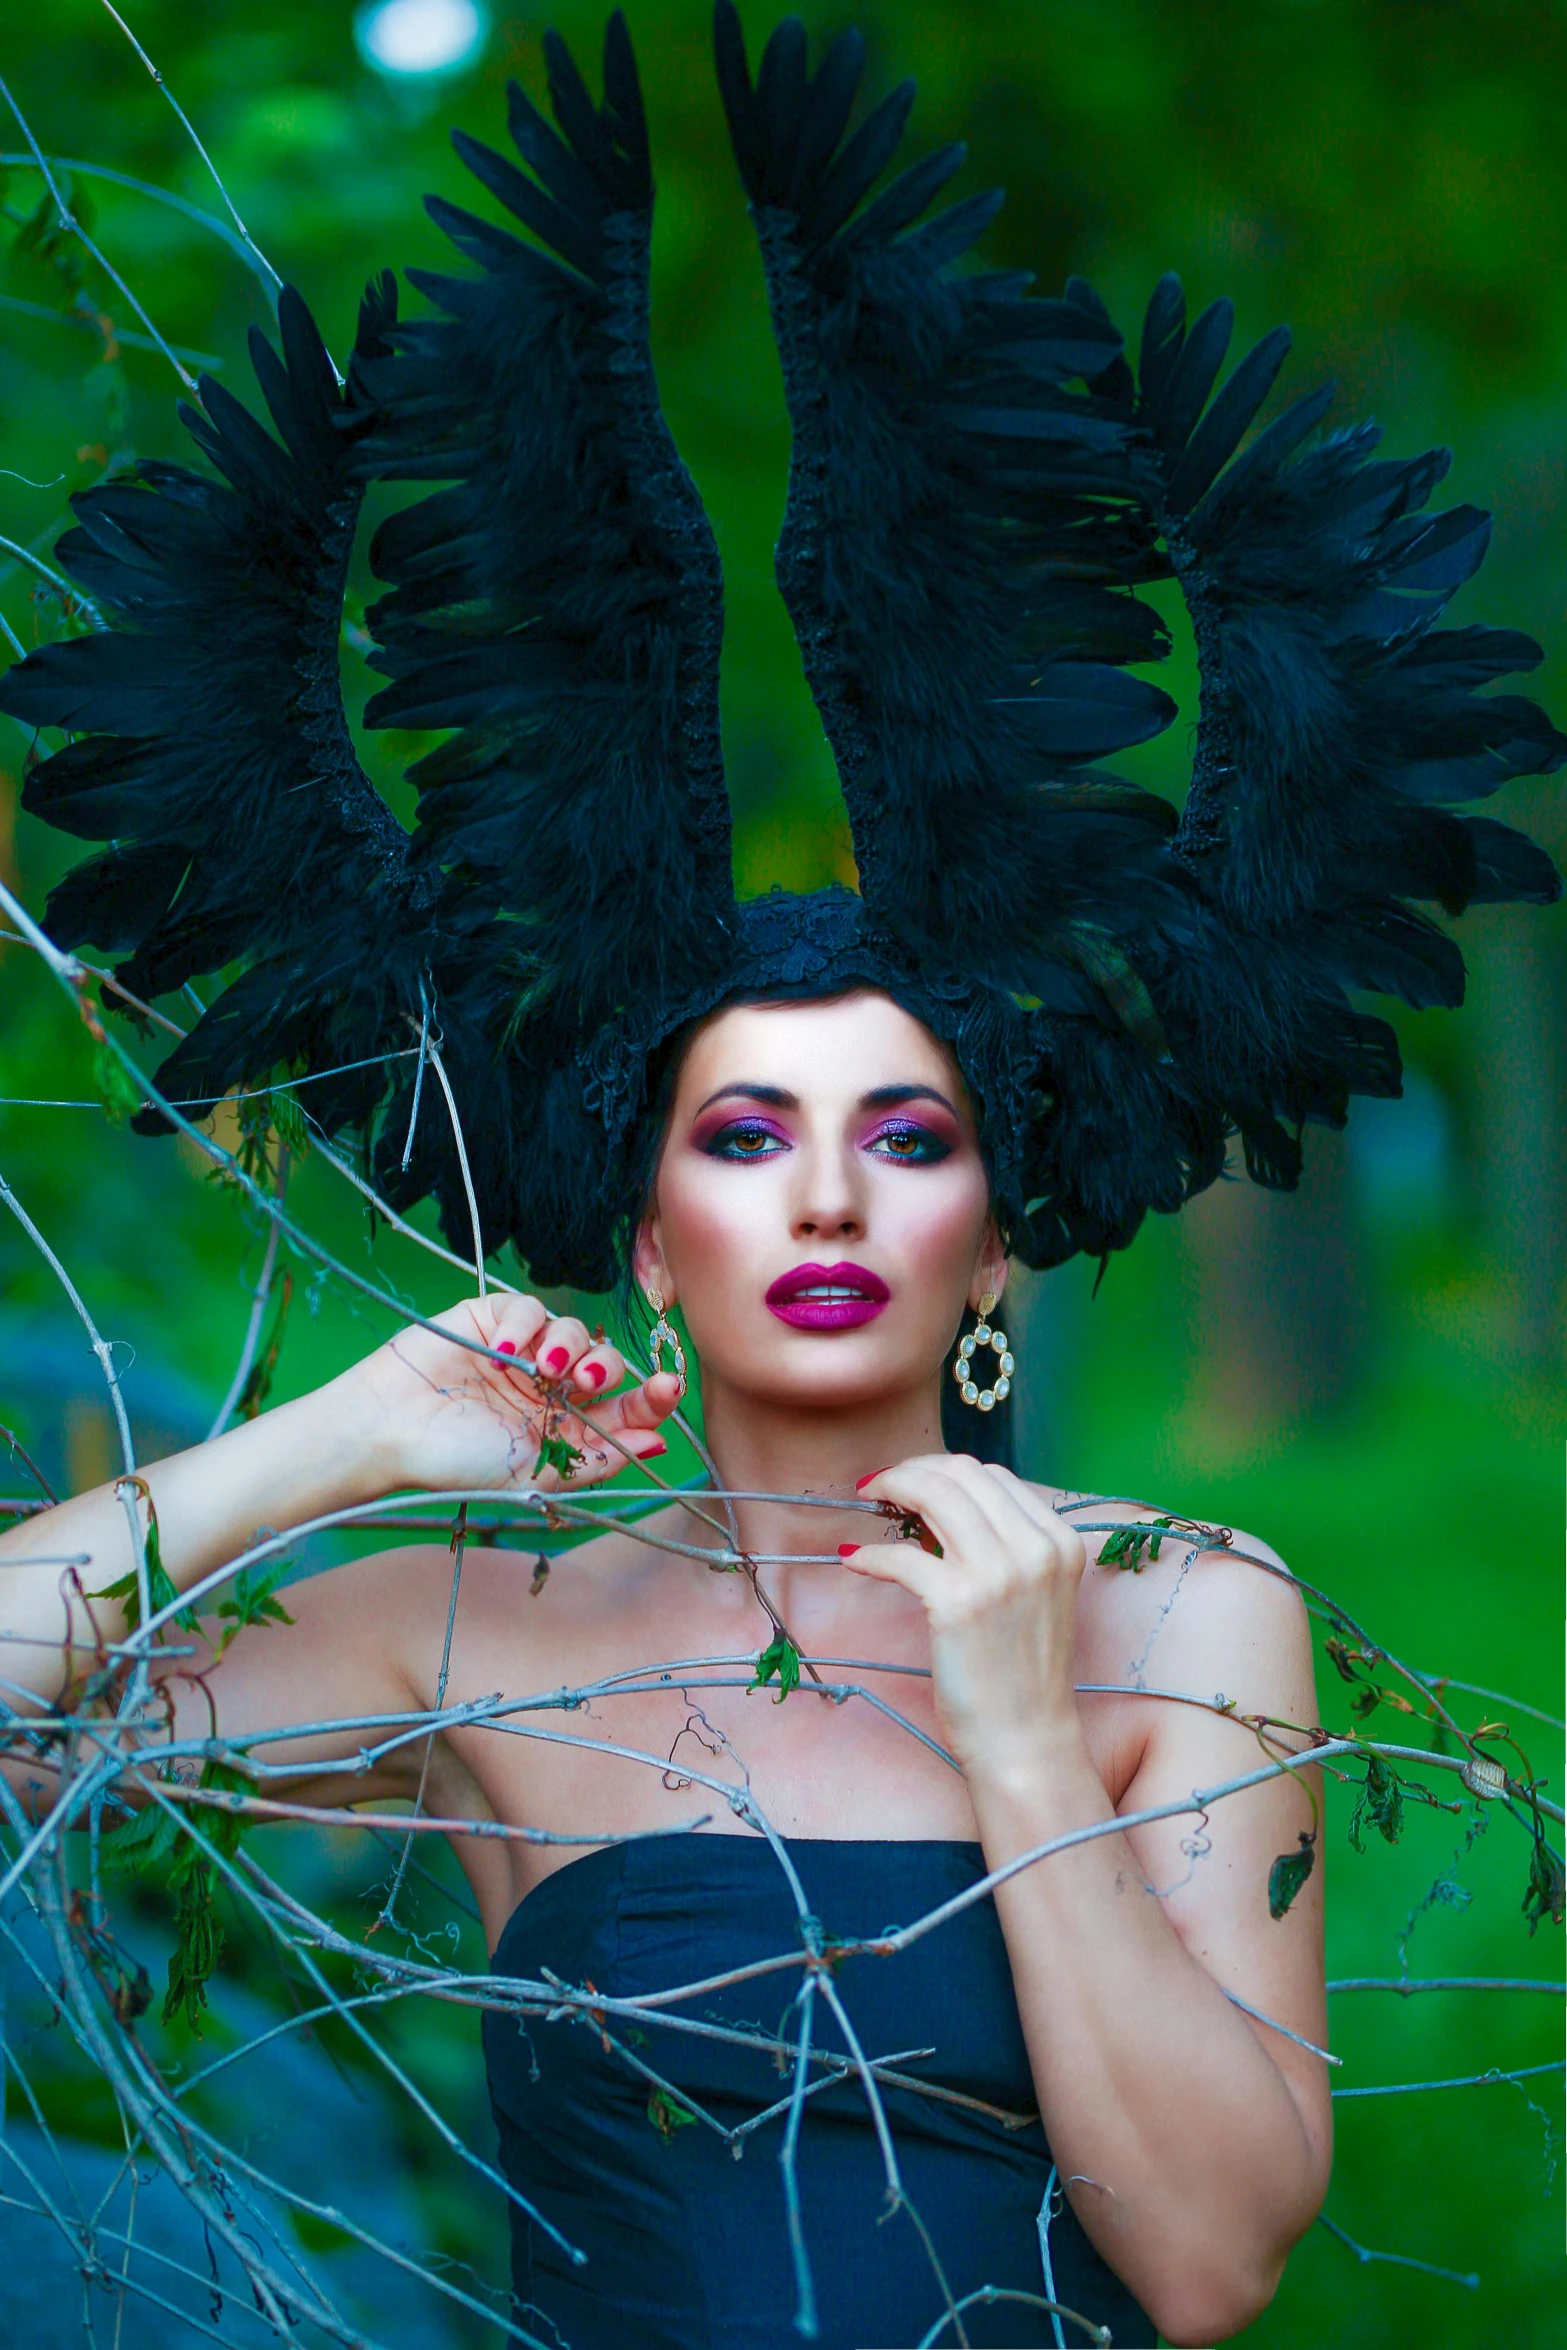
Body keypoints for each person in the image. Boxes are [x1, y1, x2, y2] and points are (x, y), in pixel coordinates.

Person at [0, 8, 1559, 2346]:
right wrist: (346, 1439)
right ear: (648, 1231)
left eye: (906, 1136)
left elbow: (1216, 2256)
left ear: (996, 1231)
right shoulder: (475, 1633)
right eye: (744, 1135)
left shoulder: (1179, 1616)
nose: (826, 1196)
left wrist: (1021, 1723)